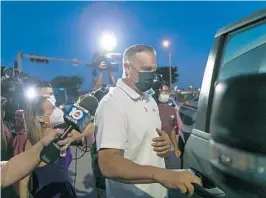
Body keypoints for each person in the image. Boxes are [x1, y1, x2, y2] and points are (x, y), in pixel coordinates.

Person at [95, 44, 201, 198]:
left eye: (153, 68)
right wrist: (162, 174)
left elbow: (144, 141)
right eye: (146, 69)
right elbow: (108, 164)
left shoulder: (149, 100)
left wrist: (165, 144)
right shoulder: (112, 104)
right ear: (127, 67)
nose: (151, 74)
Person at [19, 96, 76, 198]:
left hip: (67, 192)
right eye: (53, 109)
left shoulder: (61, 134)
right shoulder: (33, 143)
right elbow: (23, 183)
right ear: (40, 117)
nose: (58, 111)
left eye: (56, 107)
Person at [1, 128, 70, 189]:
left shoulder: (54, 136)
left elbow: (5, 172)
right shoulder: (31, 141)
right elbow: (23, 182)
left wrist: (41, 147)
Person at [154, 83, 182, 167]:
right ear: (158, 92)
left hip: (170, 148)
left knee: (172, 170)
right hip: (156, 147)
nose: (164, 93)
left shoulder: (172, 109)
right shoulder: (153, 107)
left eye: (166, 91)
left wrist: (176, 147)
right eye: (162, 91)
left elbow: (172, 130)